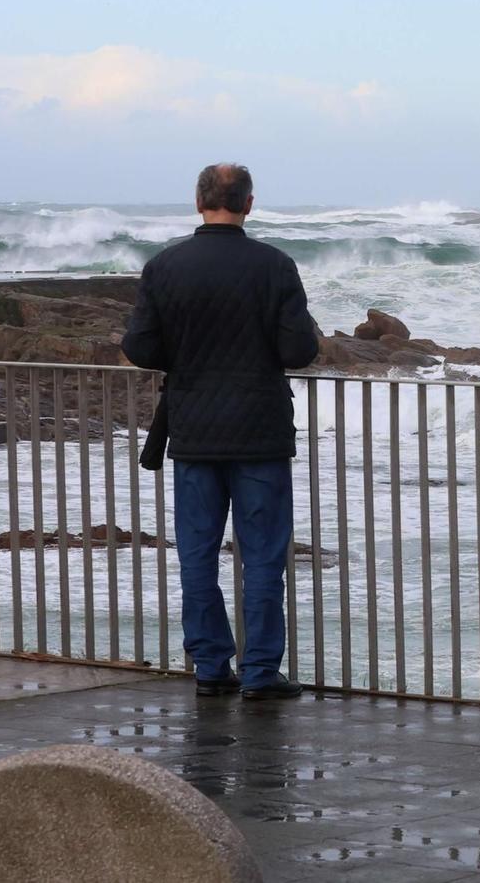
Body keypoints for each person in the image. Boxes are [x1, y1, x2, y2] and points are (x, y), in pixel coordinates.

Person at [122, 164, 320, 700]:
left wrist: (184, 359)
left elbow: (139, 347)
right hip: (259, 431)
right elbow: (299, 351)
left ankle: (210, 665)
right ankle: (260, 673)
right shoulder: (275, 266)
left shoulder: (165, 267)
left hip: (193, 429)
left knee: (197, 553)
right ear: (248, 204)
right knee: (261, 556)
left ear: (199, 201)